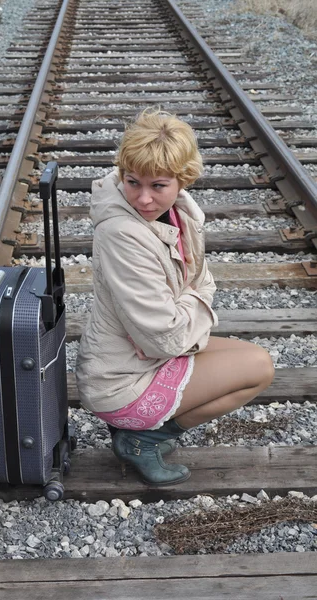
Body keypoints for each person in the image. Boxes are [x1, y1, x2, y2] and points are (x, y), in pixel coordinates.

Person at [75, 108, 275, 486]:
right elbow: (165, 334)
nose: (144, 199)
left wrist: (189, 301)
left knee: (253, 360)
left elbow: (202, 279)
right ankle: (142, 438)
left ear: (183, 181)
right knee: (258, 368)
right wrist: (194, 301)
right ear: (121, 174)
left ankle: (142, 432)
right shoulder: (122, 232)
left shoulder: (181, 212)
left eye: (158, 185)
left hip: (146, 355)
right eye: (132, 182)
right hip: (120, 380)